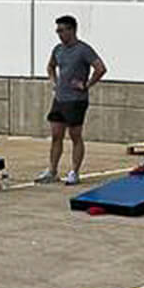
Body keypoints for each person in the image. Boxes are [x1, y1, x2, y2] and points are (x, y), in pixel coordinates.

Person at [35, 15, 106, 185]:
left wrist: (87, 85)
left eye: (61, 30)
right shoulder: (58, 49)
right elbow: (50, 66)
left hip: (76, 100)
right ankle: (52, 171)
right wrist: (54, 82)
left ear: (71, 30)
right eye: (57, 31)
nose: (59, 34)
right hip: (59, 99)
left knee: (75, 136)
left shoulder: (84, 50)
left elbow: (100, 68)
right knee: (56, 136)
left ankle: (74, 172)